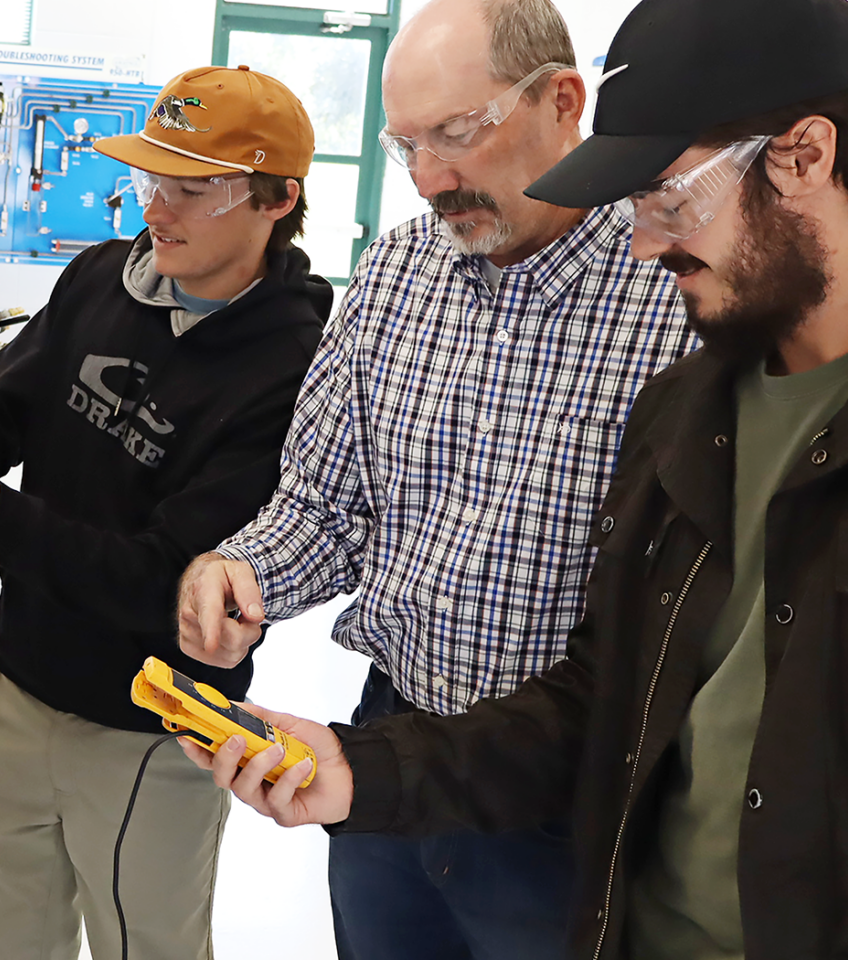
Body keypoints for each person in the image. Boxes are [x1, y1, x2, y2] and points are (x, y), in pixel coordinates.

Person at [186, 0, 848, 956]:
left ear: (806, 155)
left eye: (669, 200)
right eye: (408, 147)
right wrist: (363, 768)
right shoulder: (695, 404)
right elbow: (608, 693)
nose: (643, 244)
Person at [173, 1, 694, 957]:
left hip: (569, 797)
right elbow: (326, 503)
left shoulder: (676, 292)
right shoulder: (398, 273)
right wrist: (243, 571)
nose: (428, 180)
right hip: (389, 752)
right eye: (405, 145)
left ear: (563, 101)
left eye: (456, 133)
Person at [0, 66, 327, 960]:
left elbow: (168, 581)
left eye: (192, 189)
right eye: (151, 178)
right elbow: (5, 409)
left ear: (276, 201)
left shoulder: (294, 368)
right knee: (8, 937)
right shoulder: (102, 278)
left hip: (152, 731)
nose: (157, 208)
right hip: (22, 688)